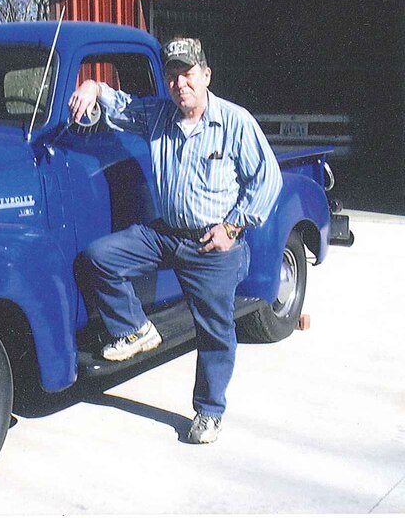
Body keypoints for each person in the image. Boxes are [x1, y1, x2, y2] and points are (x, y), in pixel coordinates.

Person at [68, 38, 282, 444]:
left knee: (215, 331)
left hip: (210, 244)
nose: (179, 83)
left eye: (187, 74)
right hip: (165, 233)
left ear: (205, 75)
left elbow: (267, 179)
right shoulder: (159, 114)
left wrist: (232, 228)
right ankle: (134, 329)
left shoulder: (235, 122)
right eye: (171, 76)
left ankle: (209, 411)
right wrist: (95, 87)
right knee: (100, 258)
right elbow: (122, 107)